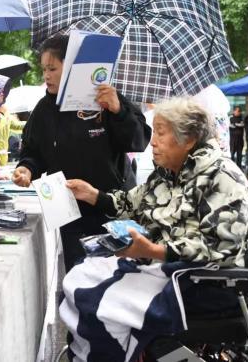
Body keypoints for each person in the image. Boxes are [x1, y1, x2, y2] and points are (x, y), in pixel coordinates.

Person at [62, 98, 248, 362]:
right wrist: (92, 195)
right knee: (80, 275)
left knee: (101, 302)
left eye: (161, 133)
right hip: (165, 266)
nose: (152, 141)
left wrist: (155, 251)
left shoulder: (221, 176)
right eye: (154, 131)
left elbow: (220, 248)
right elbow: (132, 203)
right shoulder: (167, 173)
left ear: (188, 140)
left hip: (204, 282)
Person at [11, 35, 151, 270]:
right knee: (77, 276)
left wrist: (117, 111)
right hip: (69, 211)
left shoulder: (106, 100)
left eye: (53, 68)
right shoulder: (44, 109)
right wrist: (26, 169)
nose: (46, 75)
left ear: (74, 69)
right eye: (44, 69)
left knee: (115, 278)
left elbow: (138, 141)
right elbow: (34, 152)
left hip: (111, 208)